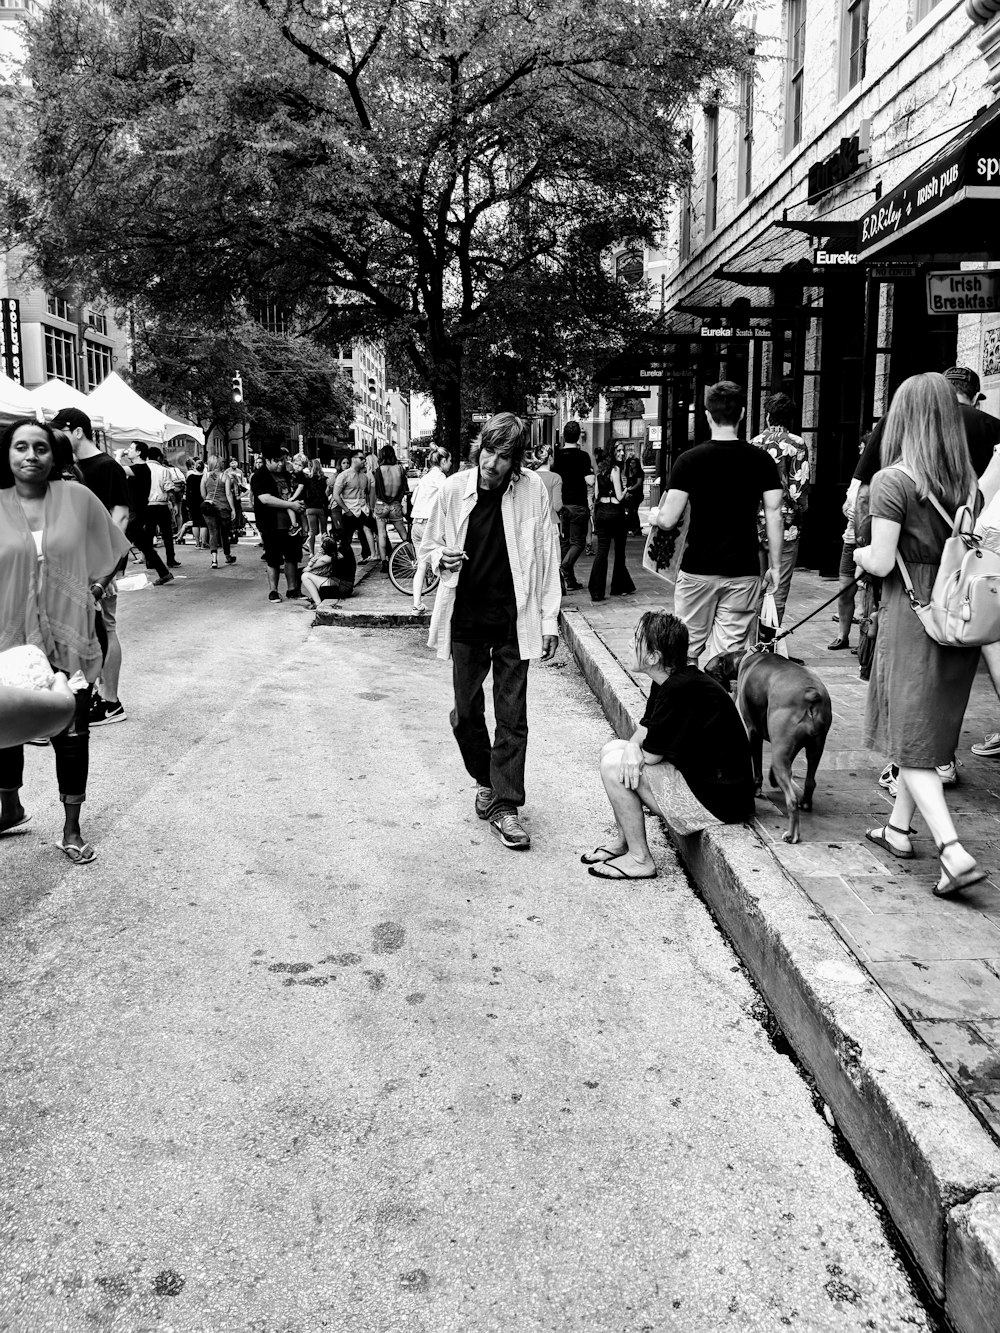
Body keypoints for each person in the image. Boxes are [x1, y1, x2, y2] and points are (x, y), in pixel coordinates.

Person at [854, 372, 986, 896]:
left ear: (903, 417)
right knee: (925, 730)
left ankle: (952, 851)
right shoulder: (968, 481)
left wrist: (862, 552)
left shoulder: (892, 481)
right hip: (957, 613)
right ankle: (898, 830)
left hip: (914, 613)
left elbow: (882, 560)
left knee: (911, 739)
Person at [419, 412, 560, 851]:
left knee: (512, 718)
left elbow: (547, 552)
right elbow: (427, 548)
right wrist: (441, 558)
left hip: (515, 620)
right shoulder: (453, 489)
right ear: (479, 448)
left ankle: (505, 805)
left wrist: (549, 618)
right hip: (466, 619)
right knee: (465, 713)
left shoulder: (531, 489)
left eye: (503, 456)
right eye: (488, 451)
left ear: (516, 462)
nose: (492, 463)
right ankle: (486, 777)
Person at [0, 419, 131, 863]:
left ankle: (71, 828)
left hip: (69, 630)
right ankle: (10, 806)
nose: (31, 455)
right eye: (21, 447)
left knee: (72, 730)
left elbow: (115, 546)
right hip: (7, 633)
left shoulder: (76, 497)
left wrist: (93, 591)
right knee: (8, 722)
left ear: (54, 455)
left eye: (40, 447)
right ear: (7, 455)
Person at [585, 611, 754, 880]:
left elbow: (650, 756)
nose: (630, 643)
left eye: (636, 639)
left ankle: (640, 859)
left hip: (721, 801)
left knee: (613, 766)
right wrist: (630, 747)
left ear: (653, 657)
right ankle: (624, 841)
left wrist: (633, 751)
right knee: (612, 749)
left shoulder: (681, 688)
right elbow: (645, 729)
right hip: (702, 781)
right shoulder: (668, 679)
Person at [651, 381, 783, 662]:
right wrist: (775, 566)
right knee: (728, 659)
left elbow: (669, 519)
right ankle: (720, 705)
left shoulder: (688, 461)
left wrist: (654, 516)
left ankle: (686, 704)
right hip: (743, 570)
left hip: (698, 569)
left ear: (708, 415)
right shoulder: (761, 461)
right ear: (744, 413)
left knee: (685, 652)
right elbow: (774, 513)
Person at [49, 407, 131, 727]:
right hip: (74, 565)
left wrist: (104, 569)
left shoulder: (107, 466)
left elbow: (120, 516)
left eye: (62, 431)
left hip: (100, 567)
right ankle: (93, 695)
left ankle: (111, 702)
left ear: (78, 432)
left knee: (106, 628)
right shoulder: (73, 467)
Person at [750, 392, 810, 623]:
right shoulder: (797, 444)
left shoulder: (754, 443)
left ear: (767, 416)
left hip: (755, 523)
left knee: (756, 586)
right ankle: (769, 645)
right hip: (786, 525)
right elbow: (798, 490)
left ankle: (752, 643)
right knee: (778, 588)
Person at [250, 447, 305, 601]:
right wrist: (290, 505)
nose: (281, 463)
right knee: (273, 558)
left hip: (290, 524)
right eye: (277, 461)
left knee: (292, 557)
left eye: (282, 460)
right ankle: (273, 590)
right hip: (271, 523)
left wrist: (298, 505)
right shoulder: (259, 476)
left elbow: (294, 495)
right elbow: (265, 499)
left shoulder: (287, 475)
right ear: (267, 460)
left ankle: (292, 589)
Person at [588, 440, 636, 602]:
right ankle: (618, 586)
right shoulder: (615, 470)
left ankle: (596, 590)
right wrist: (627, 489)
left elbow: (595, 496)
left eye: (623, 451)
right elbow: (618, 496)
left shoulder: (600, 470)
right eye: (619, 451)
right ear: (612, 452)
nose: (622, 453)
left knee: (602, 551)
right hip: (615, 514)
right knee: (619, 551)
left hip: (601, 513)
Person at [122, 443, 173, 585]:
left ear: (138, 452)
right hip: (136, 512)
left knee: (124, 542)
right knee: (142, 544)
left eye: (131, 449)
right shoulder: (139, 468)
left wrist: (117, 456)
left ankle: (117, 574)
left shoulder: (141, 468)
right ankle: (164, 572)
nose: (129, 451)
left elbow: (117, 469)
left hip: (137, 513)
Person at [552, 421, 594, 592]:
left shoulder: (558, 456)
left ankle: (569, 581)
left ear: (564, 435)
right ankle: (564, 566)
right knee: (578, 543)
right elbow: (590, 480)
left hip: (562, 504)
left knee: (565, 542)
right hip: (578, 503)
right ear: (578, 437)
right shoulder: (583, 457)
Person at [409, 445, 451, 615]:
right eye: (449, 461)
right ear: (443, 461)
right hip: (429, 525)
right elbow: (448, 498)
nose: (450, 464)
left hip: (416, 525)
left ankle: (417, 604)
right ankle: (446, 606)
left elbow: (413, 500)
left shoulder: (424, 478)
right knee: (444, 564)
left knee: (422, 566)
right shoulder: (441, 479)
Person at [330, 451, 376, 561]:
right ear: (354, 459)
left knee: (370, 531)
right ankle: (343, 562)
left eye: (364, 458)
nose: (364, 461)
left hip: (362, 510)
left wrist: (369, 508)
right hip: (349, 511)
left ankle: (370, 555)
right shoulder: (344, 475)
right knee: (346, 539)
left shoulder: (364, 477)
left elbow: (367, 494)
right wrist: (346, 510)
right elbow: (336, 495)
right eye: (361, 458)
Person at [373, 444, 410, 571]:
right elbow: (405, 488)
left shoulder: (379, 470)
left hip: (381, 505)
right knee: (403, 533)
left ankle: (384, 562)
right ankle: (412, 554)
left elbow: (378, 490)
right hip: (395, 505)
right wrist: (397, 500)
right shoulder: (400, 469)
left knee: (382, 533)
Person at [145, 447, 181, 569]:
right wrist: (174, 504)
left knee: (149, 534)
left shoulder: (141, 469)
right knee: (167, 533)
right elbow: (169, 490)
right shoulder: (164, 470)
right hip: (161, 505)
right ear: (159, 457)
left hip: (147, 505)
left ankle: (149, 560)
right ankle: (170, 559)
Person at [200, 455, 239, 568]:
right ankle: (227, 556)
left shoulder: (205, 476)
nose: (223, 464)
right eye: (222, 462)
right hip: (223, 508)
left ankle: (214, 560)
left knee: (213, 532)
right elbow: (228, 494)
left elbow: (203, 494)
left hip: (209, 507)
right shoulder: (225, 476)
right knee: (224, 533)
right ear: (217, 464)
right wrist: (233, 508)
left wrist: (209, 499)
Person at [300, 535, 357, 608]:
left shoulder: (342, 551)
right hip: (344, 586)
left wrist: (309, 567)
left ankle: (317, 603)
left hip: (342, 586)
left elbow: (322, 560)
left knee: (305, 576)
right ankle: (318, 598)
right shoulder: (346, 549)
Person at [300, 458, 329, 556]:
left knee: (311, 531)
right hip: (322, 507)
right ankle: (324, 551)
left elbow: (303, 493)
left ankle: (312, 552)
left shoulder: (307, 480)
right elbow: (327, 493)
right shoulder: (325, 479)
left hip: (310, 507)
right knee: (324, 531)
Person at [534, 443, 563, 533]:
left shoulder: (530, 476)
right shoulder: (555, 478)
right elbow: (557, 506)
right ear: (550, 457)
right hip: (551, 521)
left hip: (534, 523)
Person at [179, 458, 207, 548]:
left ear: (195, 467)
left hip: (192, 502)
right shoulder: (205, 477)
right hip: (203, 501)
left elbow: (187, 492)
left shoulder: (190, 477)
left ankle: (197, 542)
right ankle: (204, 543)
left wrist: (188, 503)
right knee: (203, 523)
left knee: (195, 522)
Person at [622, 453, 644, 536]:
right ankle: (633, 528)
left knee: (634, 511)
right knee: (631, 511)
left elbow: (639, 483)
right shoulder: (629, 471)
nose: (632, 464)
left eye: (633, 463)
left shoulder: (639, 472)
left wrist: (630, 489)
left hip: (637, 494)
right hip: (630, 492)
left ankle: (636, 529)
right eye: (631, 463)